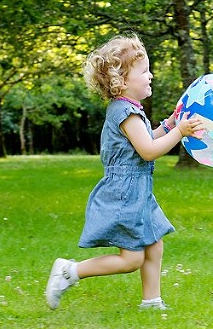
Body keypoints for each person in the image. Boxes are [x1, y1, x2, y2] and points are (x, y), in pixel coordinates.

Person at [45, 34, 203, 311]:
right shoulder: (125, 112)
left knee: (154, 245)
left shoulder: (130, 109)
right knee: (131, 259)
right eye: (144, 71)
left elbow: (146, 140)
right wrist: (179, 132)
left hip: (138, 189)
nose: (150, 75)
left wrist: (168, 125)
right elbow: (148, 151)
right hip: (124, 193)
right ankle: (70, 271)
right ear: (122, 80)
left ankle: (151, 302)